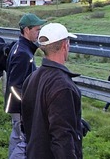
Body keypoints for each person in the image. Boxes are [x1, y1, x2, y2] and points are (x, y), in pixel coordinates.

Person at [21, 23, 84, 159]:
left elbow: (28, 122)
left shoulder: (32, 77)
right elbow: (62, 140)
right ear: (64, 45)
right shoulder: (63, 86)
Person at [5, 13, 46, 158]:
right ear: (26, 30)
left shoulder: (21, 48)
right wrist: (26, 106)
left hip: (17, 105)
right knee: (23, 139)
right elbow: (15, 86)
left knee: (17, 137)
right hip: (20, 106)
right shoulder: (22, 53)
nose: (39, 33)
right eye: (37, 30)